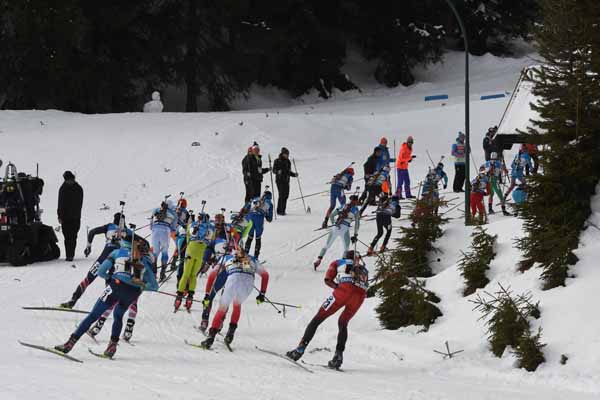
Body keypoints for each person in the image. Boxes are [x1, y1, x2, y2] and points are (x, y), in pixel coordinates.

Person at [54, 240, 158, 358]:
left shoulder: (117, 252)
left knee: (93, 315)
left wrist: (110, 277)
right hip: (132, 293)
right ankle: (111, 347)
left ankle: (69, 344)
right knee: (118, 316)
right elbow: (154, 286)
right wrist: (141, 286)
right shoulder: (145, 261)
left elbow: (101, 271)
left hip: (115, 286)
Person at [287, 250, 368, 369]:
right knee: (343, 323)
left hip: (343, 291)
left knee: (317, 319)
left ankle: (299, 350)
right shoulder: (364, 269)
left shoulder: (338, 262)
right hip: (360, 297)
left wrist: (338, 287)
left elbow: (327, 280)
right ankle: (338, 356)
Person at [200, 247, 269, 349]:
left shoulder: (226, 257)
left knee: (222, 309)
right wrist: (262, 294)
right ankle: (230, 334)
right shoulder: (252, 259)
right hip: (248, 284)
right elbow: (265, 275)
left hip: (233, 280)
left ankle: (210, 338)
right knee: (237, 304)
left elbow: (212, 275)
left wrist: (207, 294)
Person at [59, 212, 132, 309]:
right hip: (118, 259)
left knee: (88, 278)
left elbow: (92, 232)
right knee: (111, 282)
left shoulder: (109, 226)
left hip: (105, 256)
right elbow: (139, 244)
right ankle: (109, 307)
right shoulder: (128, 231)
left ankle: (73, 300)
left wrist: (88, 246)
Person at [174, 213, 213, 312]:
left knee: (186, 274)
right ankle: (190, 296)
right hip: (201, 252)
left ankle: (179, 295)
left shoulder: (193, 224)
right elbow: (211, 240)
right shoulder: (210, 227)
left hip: (191, 249)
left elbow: (187, 237)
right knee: (193, 275)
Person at [314, 195, 360, 269]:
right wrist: (355, 235)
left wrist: (334, 225)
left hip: (335, 227)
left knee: (326, 246)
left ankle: (318, 260)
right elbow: (357, 223)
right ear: (356, 201)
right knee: (346, 249)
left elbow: (332, 215)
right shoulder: (356, 210)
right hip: (345, 229)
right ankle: (341, 266)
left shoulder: (342, 205)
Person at [57, 171, 83, 261]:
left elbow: (79, 204)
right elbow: (60, 203)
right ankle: (69, 255)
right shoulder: (63, 188)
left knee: (73, 236)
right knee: (67, 237)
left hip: (75, 217)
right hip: (65, 218)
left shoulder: (78, 189)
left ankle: (71, 255)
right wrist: (60, 216)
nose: (68, 181)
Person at [150, 200, 178, 281]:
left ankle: (153, 274)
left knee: (155, 252)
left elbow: (151, 224)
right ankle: (162, 274)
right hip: (165, 232)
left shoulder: (156, 210)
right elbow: (173, 228)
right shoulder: (173, 214)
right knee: (164, 252)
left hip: (155, 231)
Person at [244, 191, 274, 259]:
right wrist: (265, 214)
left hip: (250, 218)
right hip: (259, 220)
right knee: (258, 238)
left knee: (250, 237)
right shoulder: (270, 203)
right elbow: (270, 219)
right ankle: (256, 257)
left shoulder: (256, 198)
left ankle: (245, 255)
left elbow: (246, 207)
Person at [272, 147, 298, 216]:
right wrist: (278, 171)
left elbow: (288, 172)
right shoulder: (277, 161)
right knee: (281, 195)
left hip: (286, 180)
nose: (287, 155)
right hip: (280, 180)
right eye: (286, 154)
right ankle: (279, 210)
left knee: (286, 195)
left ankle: (283, 210)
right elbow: (274, 170)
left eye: (288, 154)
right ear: (282, 154)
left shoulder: (288, 161)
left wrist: (294, 174)